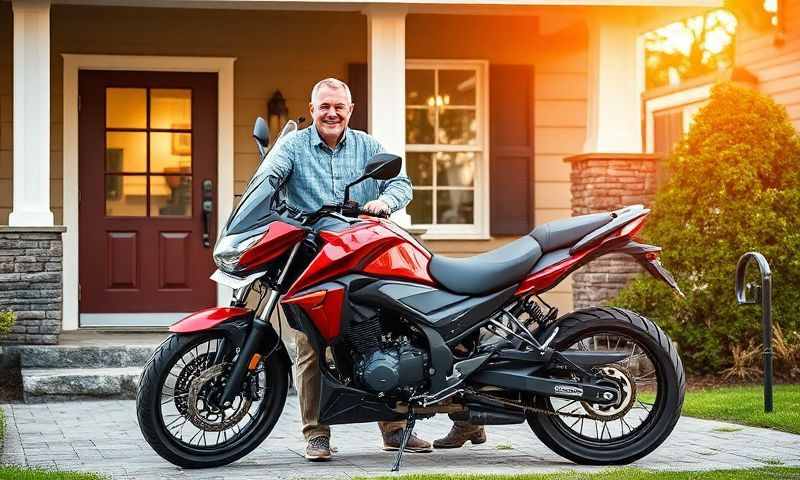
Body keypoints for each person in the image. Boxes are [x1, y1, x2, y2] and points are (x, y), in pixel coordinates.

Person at [262, 77, 432, 461]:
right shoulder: (293, 146)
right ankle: (316, 433)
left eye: (339, 106)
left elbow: (403, 184)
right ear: (312, 109)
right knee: (310, 344)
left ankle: (393, 429)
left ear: (350, 110)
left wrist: (385, 201)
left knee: (382, 334)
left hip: (361, 257)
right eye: (324, 106)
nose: (332, 113)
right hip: (309, 258)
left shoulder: (367, 146)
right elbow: (270, 176)